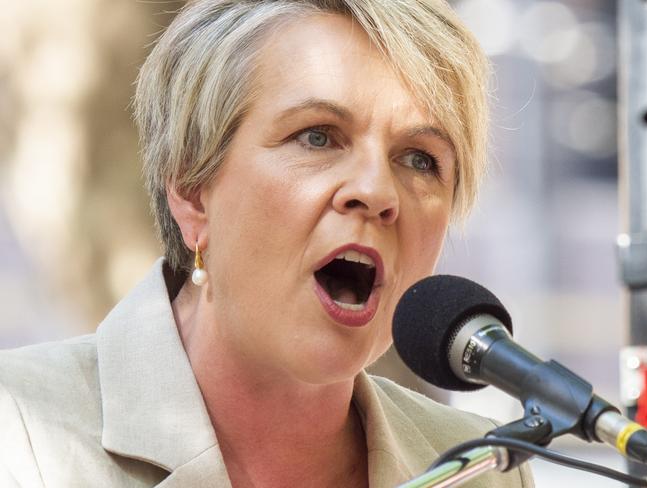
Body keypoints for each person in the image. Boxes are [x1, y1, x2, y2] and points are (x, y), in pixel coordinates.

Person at [0, 1, 534, 487]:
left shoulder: (485, 470)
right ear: (192, 191)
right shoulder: (18, 433)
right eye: (318, 136)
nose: (376, 192)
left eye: (420, 159)